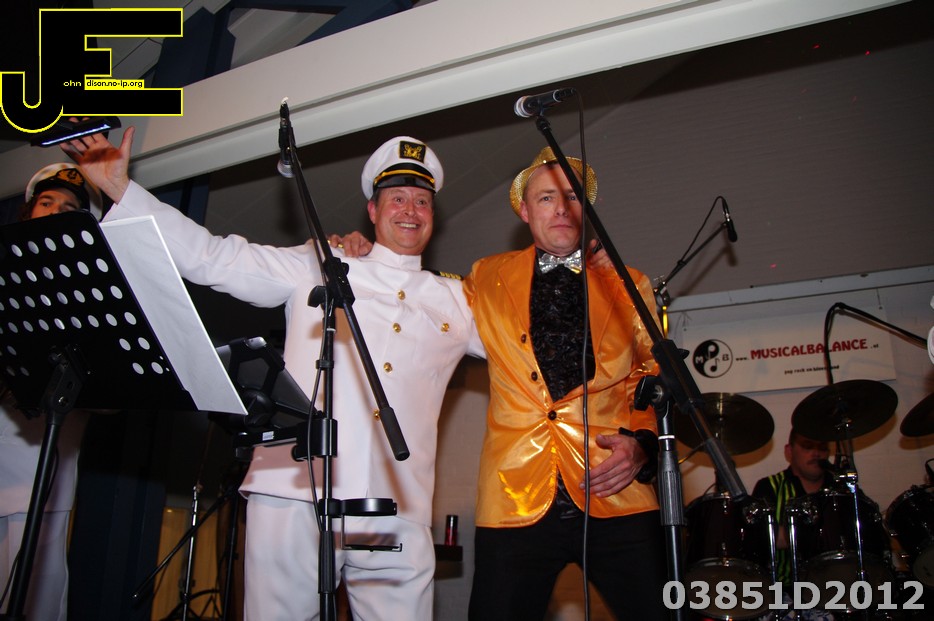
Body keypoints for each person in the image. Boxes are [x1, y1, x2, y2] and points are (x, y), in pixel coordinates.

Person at [61, 129, 484, 620]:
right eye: (397, 198)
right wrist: (120, 188)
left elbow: (530, 341)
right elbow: (212, 257)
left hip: (397, 507)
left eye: (422, 201)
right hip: (294, 491)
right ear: (372, 210)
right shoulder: (318, 263)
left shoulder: (458, 300)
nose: (410, 210)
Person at [462, 147, 667, 620]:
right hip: (513, 495)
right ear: (524, 211)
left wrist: (642, 446)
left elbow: (651, 378)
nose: (560, 208)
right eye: (546, 198)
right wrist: (364, 253)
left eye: (572, 197)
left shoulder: (629, 283)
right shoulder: (485, 276)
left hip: (614, 487)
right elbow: (414, 295)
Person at [0, 164, 97, 620]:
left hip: (38, 474)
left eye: (69, 209)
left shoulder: (91, 291)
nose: (55, 212)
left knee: (34, 592)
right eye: (47, 202)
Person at [752, 428, 835, 621]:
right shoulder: (769, 486)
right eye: (807, 446)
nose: (816, 453)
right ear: (789, 451)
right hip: (784, 587)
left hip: (838, 584)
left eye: (822, 447)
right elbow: (758, 540)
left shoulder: (841, 489)